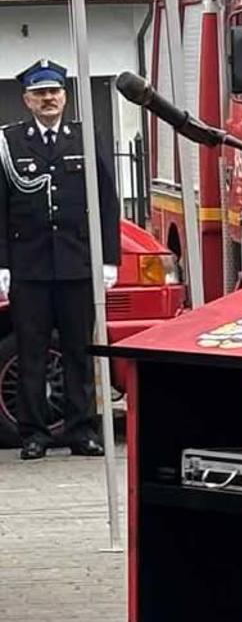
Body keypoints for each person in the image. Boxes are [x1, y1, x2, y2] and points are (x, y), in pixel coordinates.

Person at [0, 59, 119, 461]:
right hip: (29, 268)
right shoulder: (10, 143)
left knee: (78, 351)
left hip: (76, 265)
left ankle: (81, 430)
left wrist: (109, 260)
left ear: (65, 96)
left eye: (54, 92)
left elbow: (106, 202)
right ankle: (34, 434)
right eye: (40, 93)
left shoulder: (85, 138)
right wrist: (2, 265)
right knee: (31, 352)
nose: (48, 99)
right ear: (26, 99)